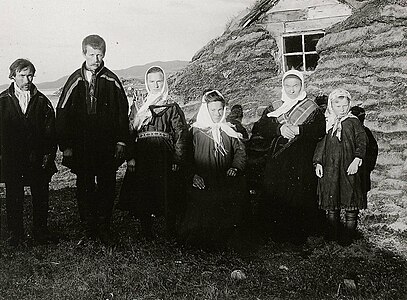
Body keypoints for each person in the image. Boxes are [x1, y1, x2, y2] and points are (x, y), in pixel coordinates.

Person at [56, 35, 129, 244]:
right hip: (82, 145)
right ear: (84, 54)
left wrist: (121, 141)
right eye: (92, 54)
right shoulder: (75, 80)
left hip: (106, 145)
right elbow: (62, 112)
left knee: (107, 184)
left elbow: (122, 112)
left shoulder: (112, 80)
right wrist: (66, 145)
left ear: (104, 54)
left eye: (100, 55)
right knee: (85, 184)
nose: (96, 59)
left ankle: (104, 225)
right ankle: (89, 225)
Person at [248, 70, 326, 244]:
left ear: (301, 86)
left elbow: (320, 131)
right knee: (276, 195)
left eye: (296, 86)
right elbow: (261, 128)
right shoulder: (274, 107)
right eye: (288, 86)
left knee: (299, 196)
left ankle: (297, 236)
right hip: (277, 161)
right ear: (283, 87)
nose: (292, 90)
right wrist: (279, 129)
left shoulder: (312, 109)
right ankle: (276, 234)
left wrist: (301, 130)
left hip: (301, 160)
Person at [118, 66, 189, 239]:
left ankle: (170, 229)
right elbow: (130, 132)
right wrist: (131, 157)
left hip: (164, 153)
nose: (156, 85)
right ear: (147, 83)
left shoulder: (171, 105)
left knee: (168, 190)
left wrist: (177, 159)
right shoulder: (139, 106)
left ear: (164, 82)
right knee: (143, 190)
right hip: (143, 153)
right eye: (152, 81)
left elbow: (180, 134)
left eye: (159, 81)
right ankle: (146, 229)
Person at [178, 90, 247, 249]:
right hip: (203, 178)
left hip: (224, 178)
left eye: (220, 110)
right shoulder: (195, 130)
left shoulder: (229, 130)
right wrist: (193, 175)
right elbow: (186, 156)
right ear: (206, 110)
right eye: (213, 110)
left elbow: (240, 152)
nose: (217, 114)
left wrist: (235, 167)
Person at [0, 59, 57, 245]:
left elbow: (51, 131)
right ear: (13, 76)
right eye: (22, 75)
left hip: (37, 158)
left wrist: (48, 155)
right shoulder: (2, 101)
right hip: (12, 159)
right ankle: (15, 234)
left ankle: (41, 232)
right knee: (13, 197)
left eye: (30, 75)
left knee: (40, 197)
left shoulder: (42, 101)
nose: (27, 79)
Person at [313, 89, 368, 245]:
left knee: (350, 202)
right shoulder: (328, 123)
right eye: (338, 106)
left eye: (345, 105)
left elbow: (362, 142)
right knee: (332, 205)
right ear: (331, 105)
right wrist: (317, 162)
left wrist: (357, 159)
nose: (342, 109)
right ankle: (333, 236)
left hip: (348, 168)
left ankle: (348, 237)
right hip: (330, 169)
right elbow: (321, 146)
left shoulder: (353, 122)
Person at [350, 106, 378, 202]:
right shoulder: (347, 132)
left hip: (362, 171)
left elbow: (373, 152)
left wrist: (367, 167)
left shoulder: (366, 132)